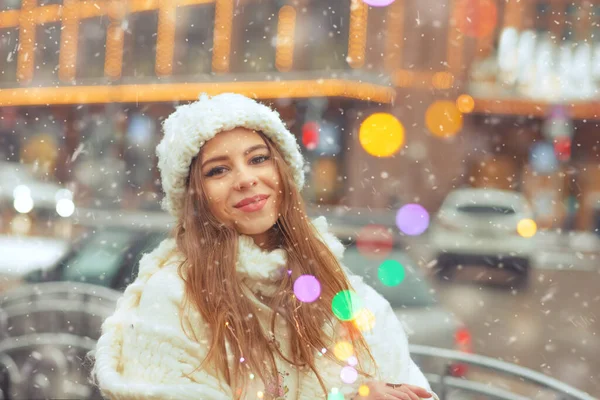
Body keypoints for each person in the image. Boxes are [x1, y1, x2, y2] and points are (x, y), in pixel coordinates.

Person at [92, 93, 439, 400]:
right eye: (218, 171)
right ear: (194, 198)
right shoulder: (172, 296)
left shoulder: (338, 288)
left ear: (283, 171)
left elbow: (404, 380)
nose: (245, 179)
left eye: (258, 159)